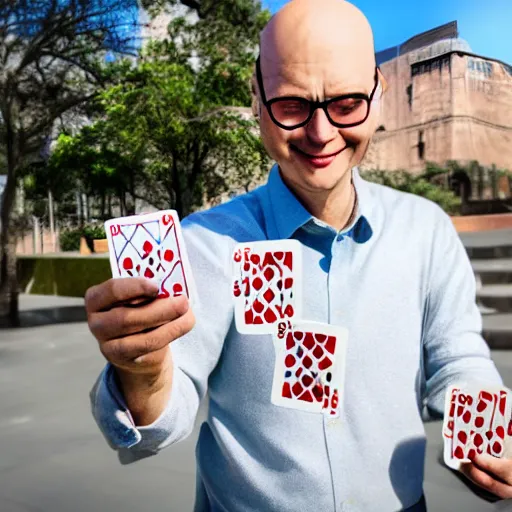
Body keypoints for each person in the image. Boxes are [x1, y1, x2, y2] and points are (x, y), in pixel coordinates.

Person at [86, 0, 512, 510]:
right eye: (291, 105)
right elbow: (161, 417)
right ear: (256, 98)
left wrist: (488, 439)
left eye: (347, 103)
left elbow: (458, 359)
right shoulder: (205, 244)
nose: (321, 132)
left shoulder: (426, 231)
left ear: (377, 94)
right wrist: (145, 372)